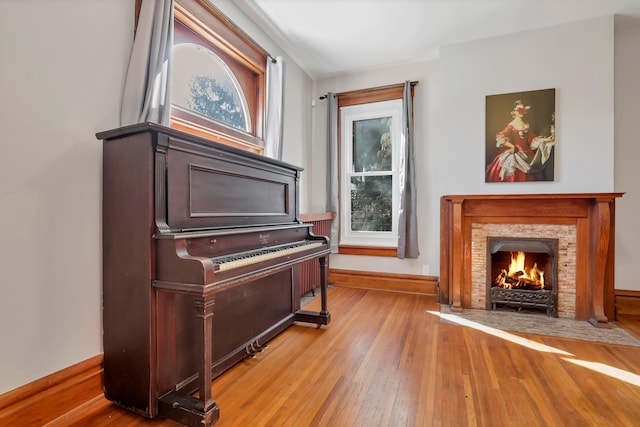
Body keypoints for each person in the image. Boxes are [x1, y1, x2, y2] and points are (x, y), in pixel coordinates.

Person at [485, 100, 555, 182]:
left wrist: (546, 139)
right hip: (515, 152)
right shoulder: (511, 125)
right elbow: (500, 136)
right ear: (514, 112)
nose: (521, 112)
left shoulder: (526, 124)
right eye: (519, 110)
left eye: (523, 109)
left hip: (527, 153)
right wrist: (512, 146)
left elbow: (532, 138)